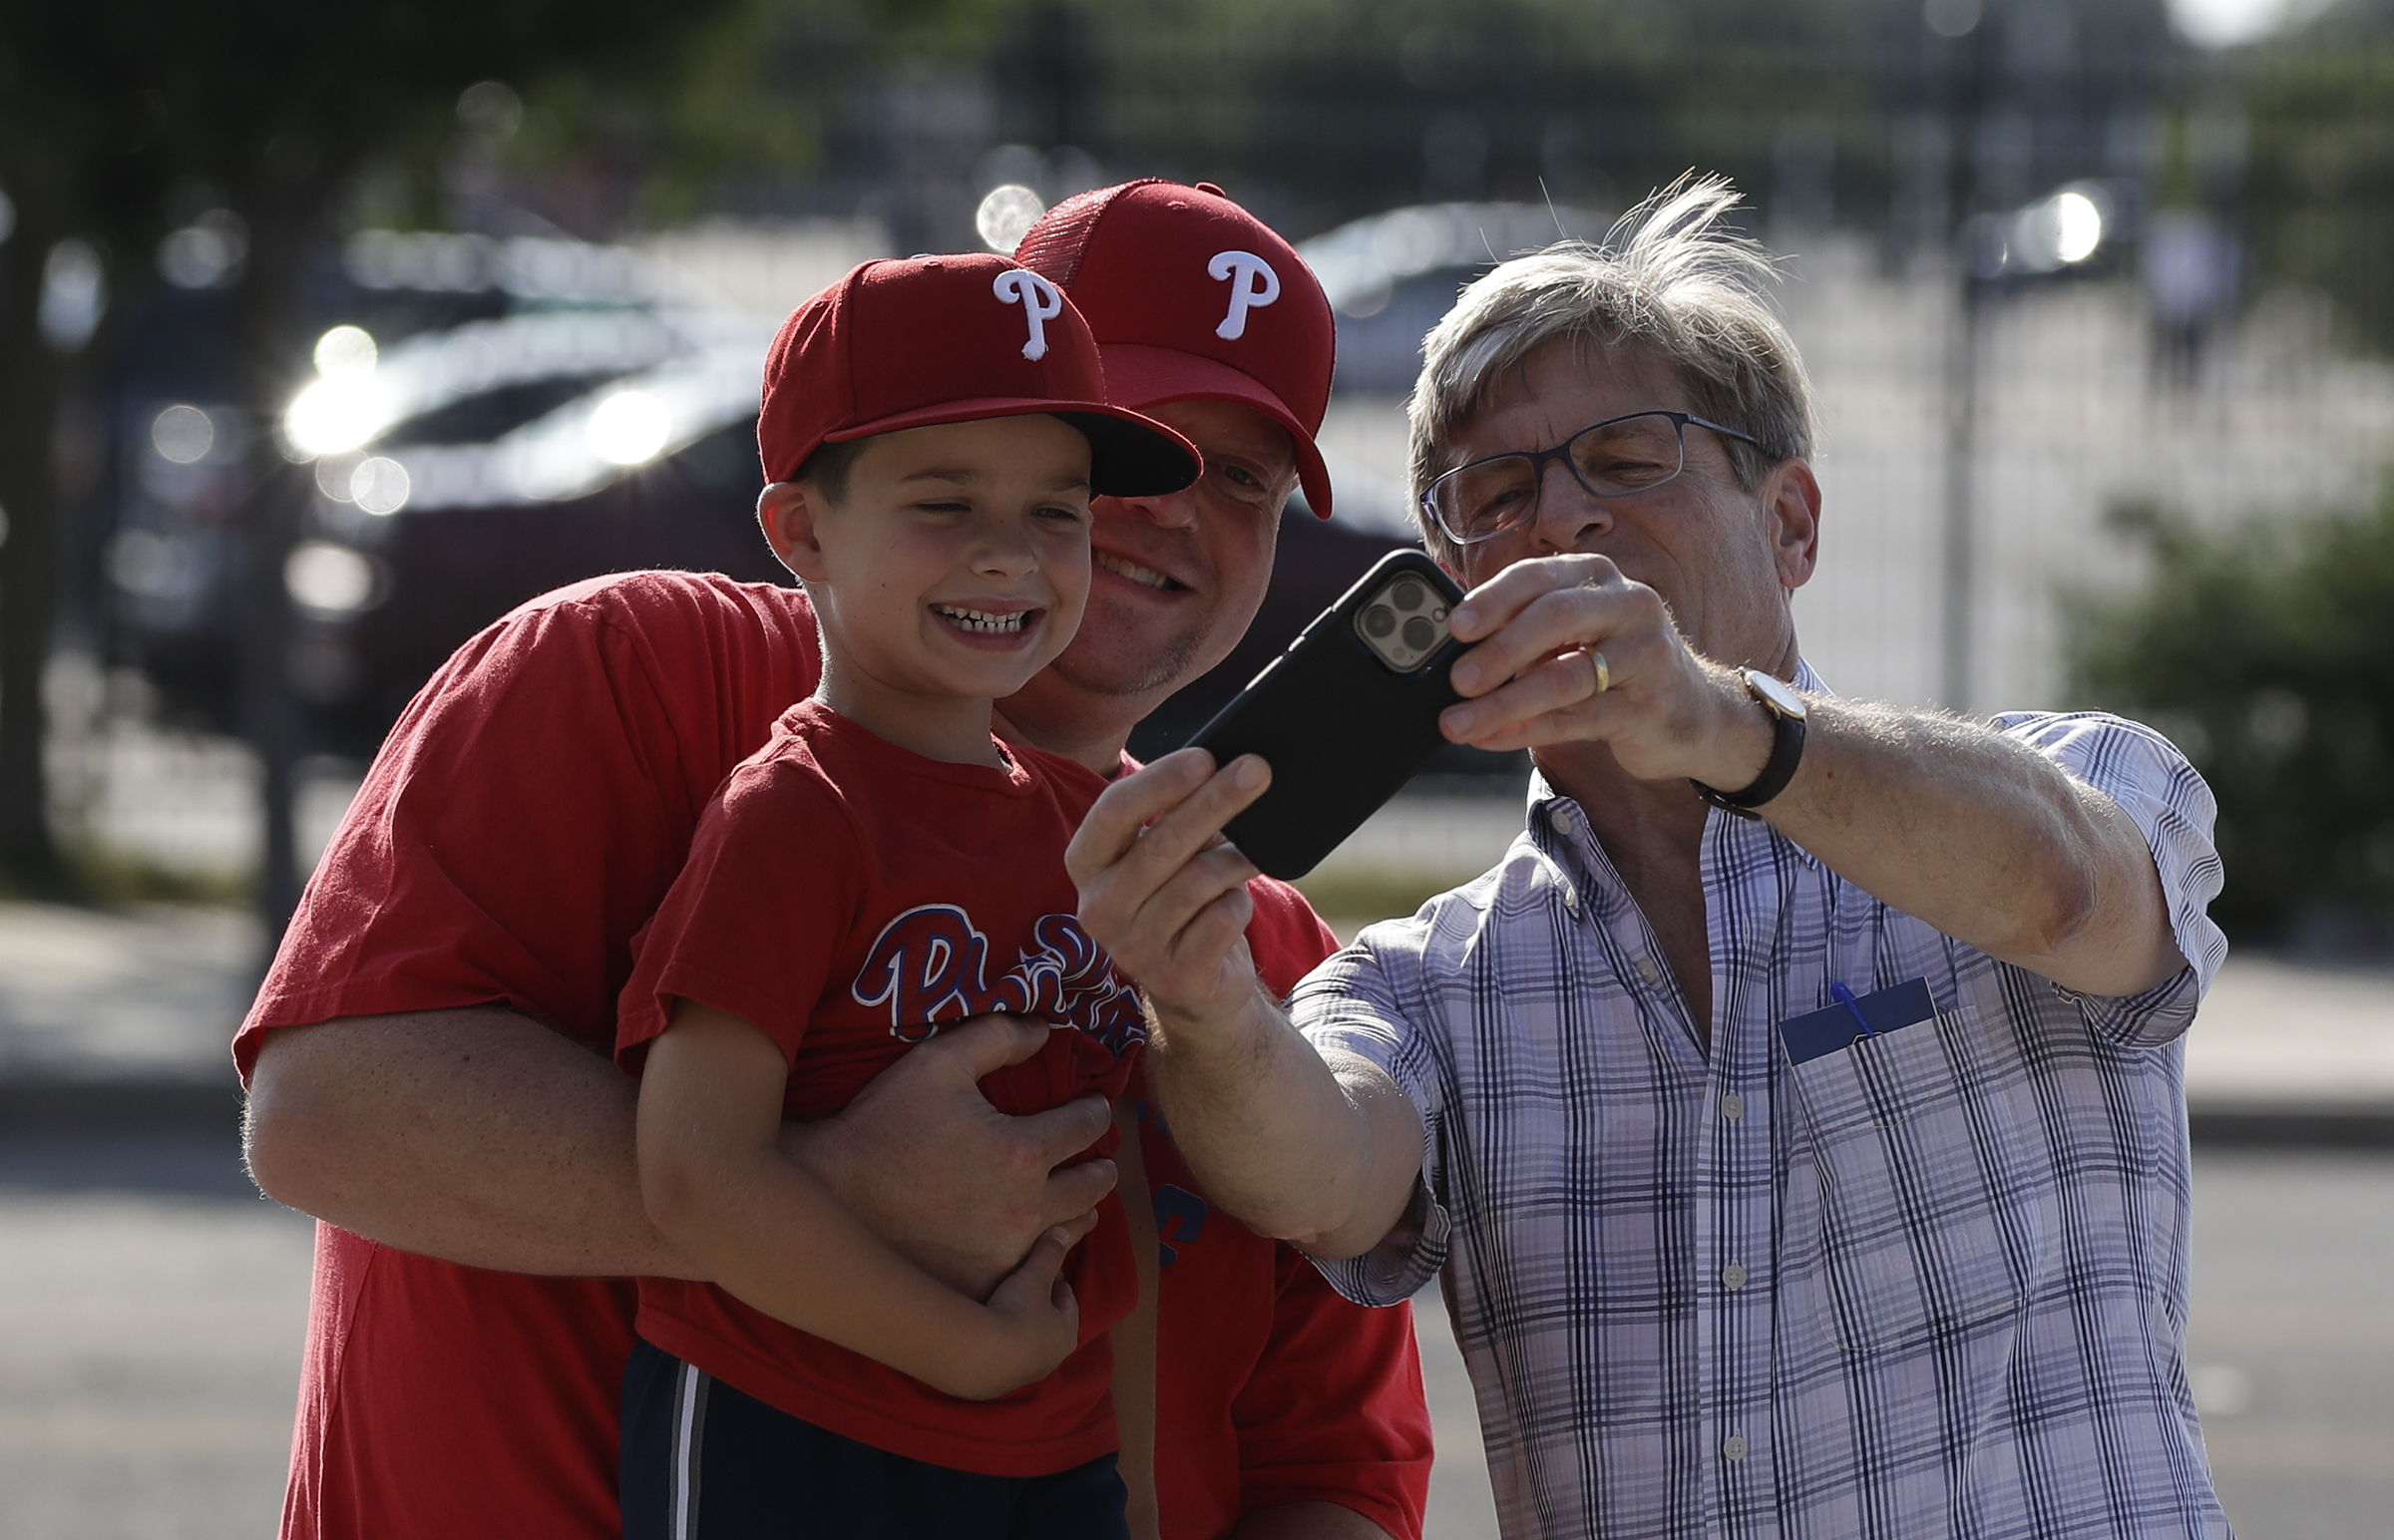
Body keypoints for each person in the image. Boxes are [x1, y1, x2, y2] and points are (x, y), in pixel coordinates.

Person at [238, 181, 1429, 1540]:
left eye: (1243, 482)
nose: (1168, 513)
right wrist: (820, 1195)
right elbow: (327, 1110)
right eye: (1126, 448)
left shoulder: (1251, 956)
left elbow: (1332, 1473)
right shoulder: (631, 673)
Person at [1070, 177, 2232, 1537]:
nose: (1561, 523)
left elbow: (2068, 888)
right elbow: (1322, 1180)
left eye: (1628, 462)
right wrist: (1200, 1002)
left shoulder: (2070, 775)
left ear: (1792, 523)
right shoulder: (1428, 981)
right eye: (1492, 495)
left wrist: (1723, 723)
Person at [616, 252, 1200, 1536]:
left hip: (1053, 1453)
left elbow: (1112, 1198)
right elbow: (693, 1173)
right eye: (944, 501)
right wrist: (962, 1348)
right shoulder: (791, 813)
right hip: (791, 1434)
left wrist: (1137, 1491)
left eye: (1058, 512)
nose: (1009, 555)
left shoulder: (1082, 834)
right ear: (802, 530)